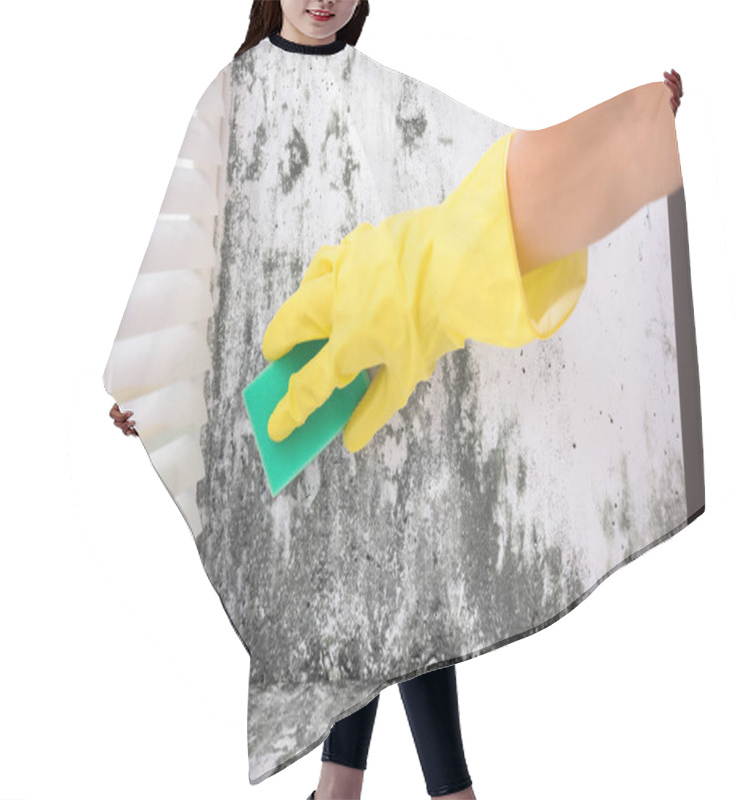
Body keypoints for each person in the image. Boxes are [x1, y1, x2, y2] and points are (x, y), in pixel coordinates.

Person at [109, 2, 684, 798]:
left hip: (382, 379)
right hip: (283, 390)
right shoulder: (233, 94)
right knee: (365, 593)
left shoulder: (379, 89)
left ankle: (352, 790)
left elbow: (485, 175)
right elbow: (194, 244)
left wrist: (622, 140)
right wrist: (157, 384)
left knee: (403, 587)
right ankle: (420, 791)